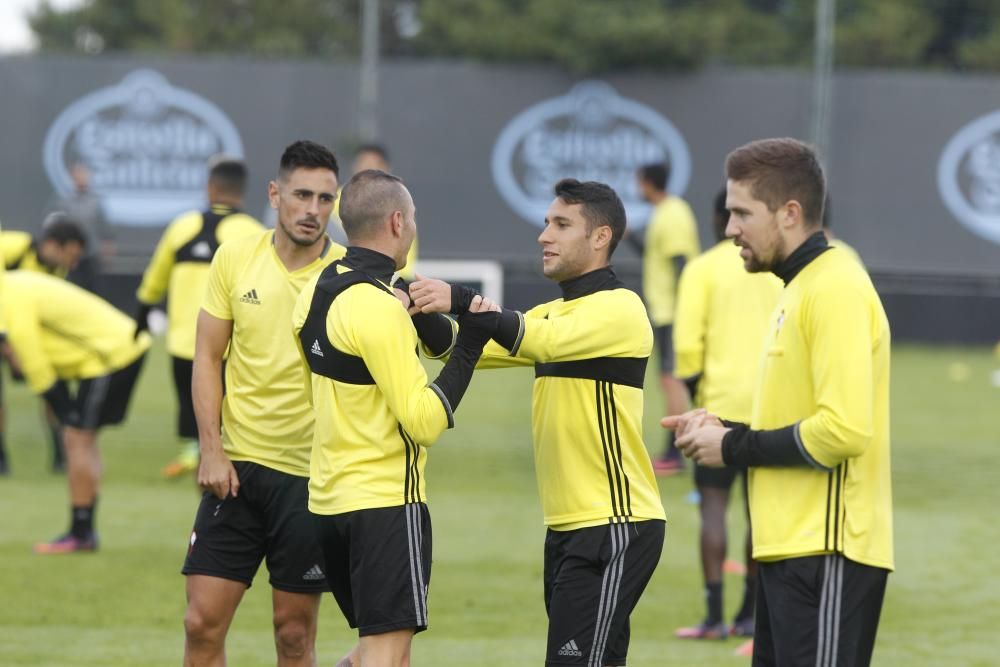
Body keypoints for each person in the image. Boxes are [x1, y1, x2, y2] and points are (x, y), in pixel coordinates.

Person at [409, 178, 666, 667]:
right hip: (571, 527)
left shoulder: (621, 308)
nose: (544, 235)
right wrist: (415, 303)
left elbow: (535, 339)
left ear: (600, 237)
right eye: (547, 222)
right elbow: (459, 348)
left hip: (615, 524)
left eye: (561, 224)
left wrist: (462, 298)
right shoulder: (557, 312)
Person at [665, 138, 893, 666]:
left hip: (828, 548)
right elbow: (802, 418)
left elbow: (843, 431)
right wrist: (723, 426)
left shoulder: (834, 288)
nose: (729, 228)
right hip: (788, 549)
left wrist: (734, 444)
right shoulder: (797, 286)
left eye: (742, 212)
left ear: (790, 213)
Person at [292, 168, 499, 667]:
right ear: (397, 221)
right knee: (385, 655)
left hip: (328, 503)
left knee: (380, 653)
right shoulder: (378, 306)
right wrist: (468, 344)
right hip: (384, 504)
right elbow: (424, 422)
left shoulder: (315, 289)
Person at [181, 140, 345, 666]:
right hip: (237, 471)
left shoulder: (348, 276)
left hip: (309, 479)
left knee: (293, 635)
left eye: (325, 199)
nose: (312, 210)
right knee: (201, 622)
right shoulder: (235, 258)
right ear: (275, 195)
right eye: (301, 195)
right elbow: (207, 357)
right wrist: (211, 449)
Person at [670, 190, 782, 645]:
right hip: (771, 407)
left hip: (717, 408)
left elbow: (687, 348)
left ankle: (713, 616)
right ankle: (750, 614)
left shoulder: (703, 268)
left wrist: (697, 398)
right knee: (761, 514)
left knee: (713, 510)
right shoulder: (779, 267)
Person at [134, 156, 262, 479]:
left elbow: (156, 276)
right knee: (228, 414)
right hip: (230, 345)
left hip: (183, 342)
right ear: (242, 192)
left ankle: (198, 457)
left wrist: (143, 311)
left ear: (210, 188)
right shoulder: (254, 234)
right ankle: (216, 462)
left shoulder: (181, 226)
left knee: (193, 408)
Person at [3, 270, 150, 552]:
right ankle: (84, 530)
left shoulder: (9, 295)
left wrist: (56, 399)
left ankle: (81, 533)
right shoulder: (14, 284)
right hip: (114, 353)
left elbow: (27, 349)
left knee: (76, 438)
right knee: (81, 438)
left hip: (110, 356)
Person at [0, 216, 88, 473]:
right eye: (70, 255)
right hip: (5, 330)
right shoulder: (13, 247)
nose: (73, 263)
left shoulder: (57, 271)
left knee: (52, 385)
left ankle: (61, 455)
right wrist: (7, 345)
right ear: (52, 245)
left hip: (25, 333)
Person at [636, 162, 700, 475]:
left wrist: (687, 310)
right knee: (669, 380)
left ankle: (674, 455)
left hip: (672, 313)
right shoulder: (666, 212)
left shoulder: (672, 213)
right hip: (667, 311)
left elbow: (681, 264)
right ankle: (675, 452)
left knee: (672, 381)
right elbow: (660, 256)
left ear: (646, 183)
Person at [331, 143, 418, 278]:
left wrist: (401, 286)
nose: (367, 169)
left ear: (386, 168)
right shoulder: (335, 200)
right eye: (363, 163)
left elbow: (406, 257)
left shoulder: (400, 203)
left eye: (374, 164)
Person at [47, 162, 115, 294]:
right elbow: (54, 224)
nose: (81, 178)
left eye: (83, 174)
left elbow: (106, 229)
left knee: (94, 291)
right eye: (77, 175)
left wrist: (108, 248)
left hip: (91, 254)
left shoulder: (96, 202)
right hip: (69, 255)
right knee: (72, 289)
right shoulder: (64, 201)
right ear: (72, 177)